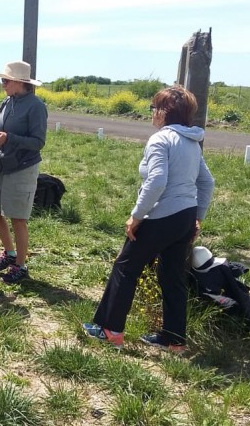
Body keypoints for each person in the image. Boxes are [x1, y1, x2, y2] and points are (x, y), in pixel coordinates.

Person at [82, 85, 215, 352]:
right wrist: (197, 217)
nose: (152, 113)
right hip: (186, 217)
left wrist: (136, 216)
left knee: (126, 267)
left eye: (154, 108)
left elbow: (156, 181)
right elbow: (207, 182)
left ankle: (110, 330)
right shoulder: (191, 141)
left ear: (165, 112)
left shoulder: (161, 139)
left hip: (162, 215)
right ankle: (174, 339)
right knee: (172, 275)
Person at [0, 61, 48, 284]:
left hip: (22, 167)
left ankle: (20, 265)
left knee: (18, 218)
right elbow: (4, 131)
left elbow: (38, 142)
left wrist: (9, 138)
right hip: (1, 162)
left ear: (20, 83)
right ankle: (9, 253)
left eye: (6, 80)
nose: (3, 84)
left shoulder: (36, 106)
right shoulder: (7, 102)